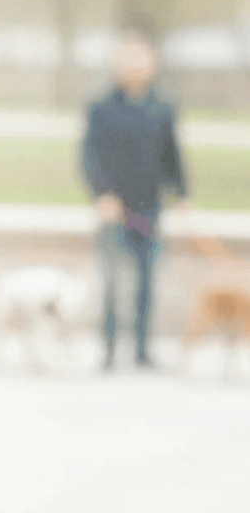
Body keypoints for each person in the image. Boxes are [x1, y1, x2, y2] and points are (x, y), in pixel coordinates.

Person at [80, 28, 188, 370]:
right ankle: (109, 348)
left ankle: (142, 348)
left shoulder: (163, 107)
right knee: (112, 281)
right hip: (114, 206)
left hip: (148, 204)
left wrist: (182, 193)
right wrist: (101, 194)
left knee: (146, 280)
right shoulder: (100, 107)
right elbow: (90, 154)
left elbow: (172, 153)